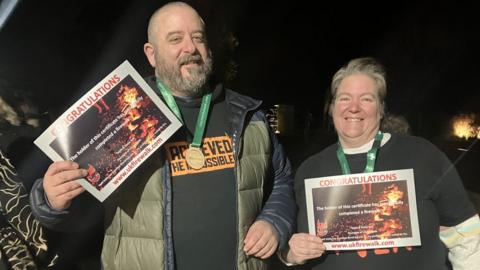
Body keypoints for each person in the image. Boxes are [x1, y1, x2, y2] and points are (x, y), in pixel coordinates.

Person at [29, 2, 296, 270]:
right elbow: (83, 213)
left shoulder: (249, 115)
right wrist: (51, 201)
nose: (190, 48)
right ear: (151, 54)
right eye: (175, 39)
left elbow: (282, 180)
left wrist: (274, 220)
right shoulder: (121, 113)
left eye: (198, 37)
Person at [281, 57, 480, 269]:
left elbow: (467, 239)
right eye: (344, 98)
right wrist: (291, 255)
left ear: (381, 108)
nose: (354, 108)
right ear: (332, 108)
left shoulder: (422, 156)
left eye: (366, 99)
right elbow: (287, 243)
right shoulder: (309, 170)